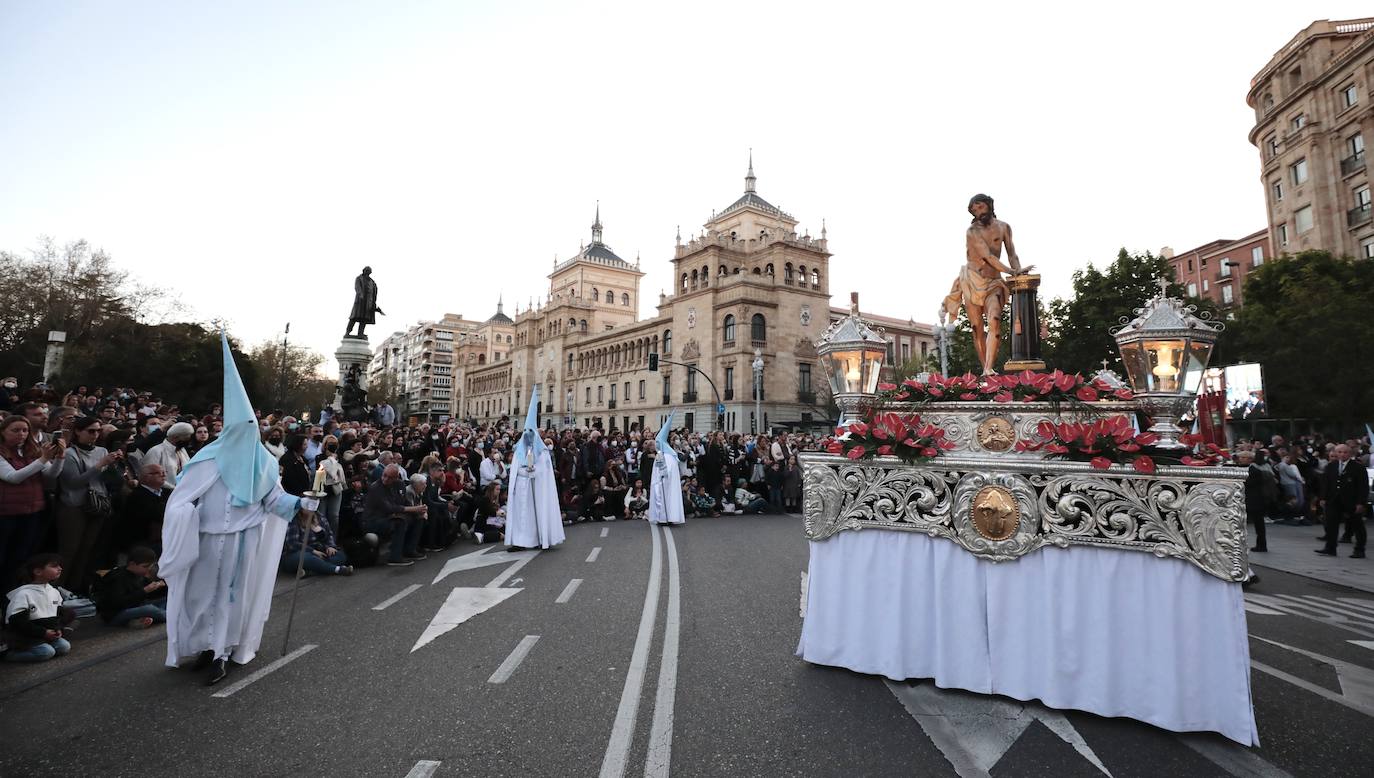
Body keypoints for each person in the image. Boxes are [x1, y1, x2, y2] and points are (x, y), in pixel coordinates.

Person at [159, 333, 321, 685]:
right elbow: (180, 499)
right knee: (201, 595)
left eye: (253, 428)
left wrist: (302, 503)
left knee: (232, 597)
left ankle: (222, 651)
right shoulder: (206, 459)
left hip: (242, 541)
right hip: (203, 539)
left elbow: (273, 500)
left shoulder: (261, 462)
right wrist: (183, 520)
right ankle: (203, 645)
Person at [940, 193, 1030, 375]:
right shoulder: (972, 231)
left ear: (989, 205)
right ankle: (985, 369)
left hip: (994, 282)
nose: (978, 212)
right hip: (972, 281)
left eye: (980, 207)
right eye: (974, 210)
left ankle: (989, 367)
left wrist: (1018, 275)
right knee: (976, 327)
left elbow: (1011, 253)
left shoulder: (1004, 227)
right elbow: (987, 257)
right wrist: (1012, 272)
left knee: (995, 319)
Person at [56, 415, 121, 593]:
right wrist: (100, 465)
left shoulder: (101, 451)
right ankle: (57, 589)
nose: (95, 434)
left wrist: (114, 465)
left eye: (98, 431)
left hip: (98, 504)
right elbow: (74, 483)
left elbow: (109, 480)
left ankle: (75, 588)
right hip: (74, 506)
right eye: (90, 431)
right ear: (78, 431)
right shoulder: (69, 454)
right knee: (69, 550)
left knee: (86, 550)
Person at [0, 415, 64, 590]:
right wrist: (43, 459)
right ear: (3, 432)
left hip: (32, 510)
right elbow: (13, 477)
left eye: (25, 430)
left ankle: (12, 591)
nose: (21, 434)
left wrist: (59, 458)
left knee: (21, 556)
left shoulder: (31, 450)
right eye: (15, 430)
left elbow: (51, 475)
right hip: (7, 512)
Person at [505, 388, 564, 551]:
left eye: (531, 432)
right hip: (521, 486)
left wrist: (534, 471)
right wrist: (524, 472)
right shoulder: (519, 450)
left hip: (536, 487)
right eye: (526, 432)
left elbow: (545, 470)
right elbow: (515, 468)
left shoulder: (542, 451)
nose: (528, 435)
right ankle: (519, 541)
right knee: (520, 515)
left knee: (534, 514)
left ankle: (540, 538)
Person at [2, 553, 72, 663]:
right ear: (38, 572)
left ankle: (43, 645)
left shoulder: (54, 592)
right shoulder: (23, 594)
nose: (60, 568)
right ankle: (10, 655)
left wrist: (57, 629)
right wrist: (43, 633)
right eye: (54, 566)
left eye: (59, 566)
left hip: (44, 635)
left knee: (64, 647)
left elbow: (57, 616)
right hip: (25, 636)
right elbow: (17, 622)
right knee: (46, 652)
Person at [363, 465, 429, 566]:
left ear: (396, 477)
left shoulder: (399, 484)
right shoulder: (376, 487)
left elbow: (404, 502)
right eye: (384, 475)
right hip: (375, 520)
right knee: (399, 522)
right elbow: (389, 508)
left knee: (418, 518)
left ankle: (409, 550)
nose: (385, 479)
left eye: (390, 477)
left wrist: (419, 511)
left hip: (392, 516)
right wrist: (413, 509)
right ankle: (394, 557)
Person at [1316, 444, 1370, 559]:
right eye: (1339, 452)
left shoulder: (1358, 468)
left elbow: (1363, 487)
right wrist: (1323, 498)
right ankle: (1330, 548)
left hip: (1351, 501)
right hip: (1333, 500)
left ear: (1350, 454)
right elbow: (1326, 484)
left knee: (1357, 525)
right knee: (1331, 524)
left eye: (1345, 452)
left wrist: (1361, 503)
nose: (1342, 454)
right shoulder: (1331, 466)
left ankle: (1359, 550)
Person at [94, 546, 167, 628]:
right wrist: (145, 591)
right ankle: (169, 616)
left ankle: (143, 619)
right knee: (150, 609)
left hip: (136, 606)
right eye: (145, 566)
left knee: (166, 600)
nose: (147, 570)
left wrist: (157, 587)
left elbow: (145, 597)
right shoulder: (117, 577)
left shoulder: (138, 575)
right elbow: (118, 602)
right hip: (116, 614)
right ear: (132, 564)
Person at [280, 508, 352, 577]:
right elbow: (292, 543)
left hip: (319, 551)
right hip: (296, 553)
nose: (310, 508)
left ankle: (311, 571)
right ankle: (338, 569)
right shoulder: (294, 519)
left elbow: (329, 535)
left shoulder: (319, 516)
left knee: (341, 556)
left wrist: (330, 546)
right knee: (305, 558)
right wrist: (313, 551)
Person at [648, 418, 685, 526]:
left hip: (665, 484)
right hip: (663, 483)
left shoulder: (667, 455)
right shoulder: (663, 454)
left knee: (665, 500)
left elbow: (666, 470)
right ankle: (664, 517)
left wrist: (661, 477)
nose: (656, 445)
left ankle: (665, 517)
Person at [144, 421, 193, 488]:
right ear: (175, 437)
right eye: (186, 439)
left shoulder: (182, 450)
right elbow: (150, 477)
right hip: (164, 493)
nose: (188, 441)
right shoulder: (156, 451)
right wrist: (173, 488)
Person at [1238, 451, 1269, 553]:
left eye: (1243, 457)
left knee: (1258, 524)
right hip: (1247, 500)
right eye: (1241, 457)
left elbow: (1248, 484)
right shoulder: (1243, 469)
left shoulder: (1254, 471)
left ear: (1250, 459)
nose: (1241, 459)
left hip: (1255, 501)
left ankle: (1262, 545)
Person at [345, 265, 384, 337]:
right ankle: (347, 332)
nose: (368, 273)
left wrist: (374, 304)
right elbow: (357, 287)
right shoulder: (359, 278)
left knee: (364, 319)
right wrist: (360, 295)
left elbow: (374, 293)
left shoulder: (372, 282)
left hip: (368, 303)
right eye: (367, 271)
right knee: (354, 317)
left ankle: (360, 333)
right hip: (360, 301)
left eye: (369, 271)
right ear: (364, 271)